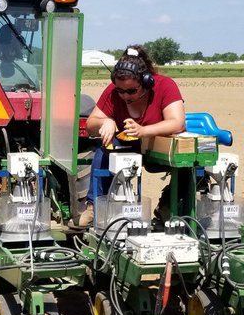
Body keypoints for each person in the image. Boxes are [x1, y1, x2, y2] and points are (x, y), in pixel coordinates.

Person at [79, 44, 185, 226]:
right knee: (104, 147)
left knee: (190, 160)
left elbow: (177, 122)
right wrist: (106, 122)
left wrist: (143, 131)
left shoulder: (165, 86)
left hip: (157, 144)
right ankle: (95, 205)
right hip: (126, 146)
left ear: (146, 82)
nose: (124, 96)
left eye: (131, 91)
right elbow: (90, 125)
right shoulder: (112, 93)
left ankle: (168, 206)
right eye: (120, 90)